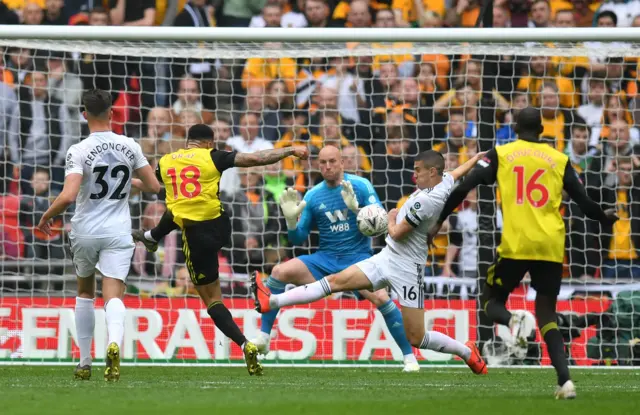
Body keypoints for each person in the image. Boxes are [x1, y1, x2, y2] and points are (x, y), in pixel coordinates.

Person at [429, 107, 619, 399]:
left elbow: (464, 186)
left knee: (490, 301)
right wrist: (606, 217)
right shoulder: (559, 158)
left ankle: (513, 321)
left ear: (515, 128)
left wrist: (439, 220)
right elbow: (584, 202)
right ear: (542, 130)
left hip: (517, 245)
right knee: (547, 313)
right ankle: (565, 381)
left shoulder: (503, 153)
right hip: (551, 247)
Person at [252, 150, 489, 375]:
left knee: (418, 337)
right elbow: (456, 172)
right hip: (386, 258)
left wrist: (391, 216)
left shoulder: (426, 201)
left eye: (418, 170)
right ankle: (272, 300)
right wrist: (475, 160)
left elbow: (396, 233)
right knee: (334, 282)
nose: (413, 174)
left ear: (433, 173)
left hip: (408, 269)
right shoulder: (443, 181)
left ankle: (467, 352)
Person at [131, 124, 309, 377]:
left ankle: (244, 344)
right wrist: (290, 150)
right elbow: (256, 158)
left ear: (189, 141)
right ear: (208, 142)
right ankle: (252, 278)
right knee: (199, 202)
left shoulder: (167, 161)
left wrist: (122, 180)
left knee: (212, 299)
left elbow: (147, 184)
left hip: (195, 238)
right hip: (221, 227)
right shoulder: (212, 155)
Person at [249, 146, 419, 372]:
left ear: (342, 163)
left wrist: (357, 210)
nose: (327, 167)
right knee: (279, 272)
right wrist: (290, 222)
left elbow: (380, 227)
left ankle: (409, 357)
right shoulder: (313, 194)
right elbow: (298, 239)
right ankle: (263, 336)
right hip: (325, 258)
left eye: (332, 161)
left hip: (358, 259)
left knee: (381, 297)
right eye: (322, 163)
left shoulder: (360, 186)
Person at [36, 89, 161, 381]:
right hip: (118, 231)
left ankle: (84, 361)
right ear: (112, 113)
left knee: (84, 292)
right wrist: (131, 181)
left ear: (84, 115)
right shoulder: (130, 145)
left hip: (86, 231)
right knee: (113, 290)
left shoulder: (78, 150)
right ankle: (113, 343)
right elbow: (154, 186)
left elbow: (68, 196)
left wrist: (47, 215)